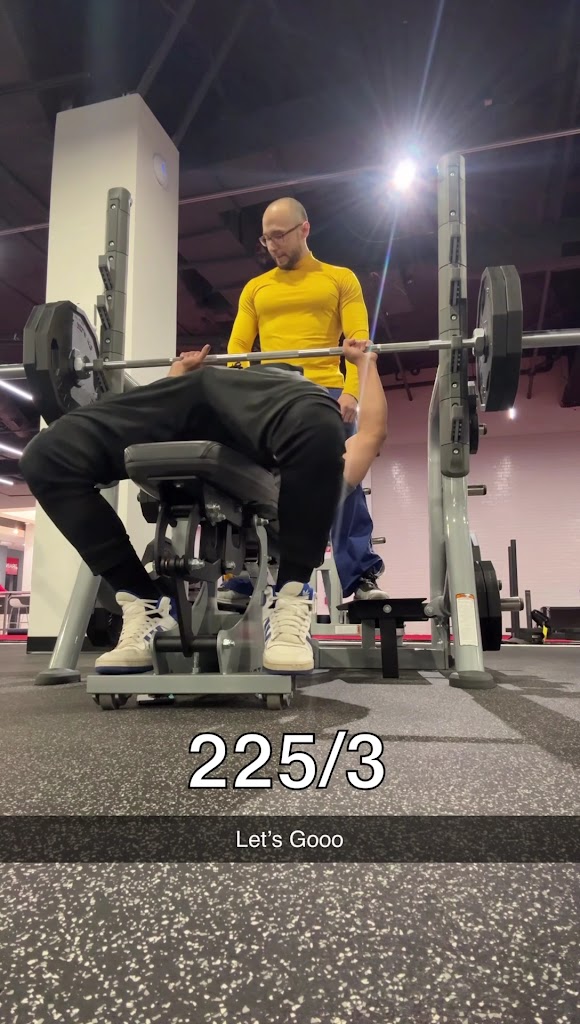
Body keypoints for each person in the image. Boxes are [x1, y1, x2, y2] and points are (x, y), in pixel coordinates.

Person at [20, 340, 387, 675]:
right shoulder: (317, 477)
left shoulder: (319, 478)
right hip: (241, 393)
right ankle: (147, 605)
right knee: (46, 456)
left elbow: (369, 435)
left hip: (265, 400)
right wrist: (179, 373)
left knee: (319, 422)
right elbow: (372, 434)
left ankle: (290, 595)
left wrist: (365, 365)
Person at [224, 196, 387, 606]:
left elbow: (358, 343)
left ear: (304, 229)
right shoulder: (256, 288)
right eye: (266, 239)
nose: (273, 246)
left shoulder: (339, 279)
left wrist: (352, 392)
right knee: (245, 479)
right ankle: (247, 570)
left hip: (325, 393)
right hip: (270, 395)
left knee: (344, 481)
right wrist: (237, 398)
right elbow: (237, 350)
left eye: (279, 236)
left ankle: (360, 574)